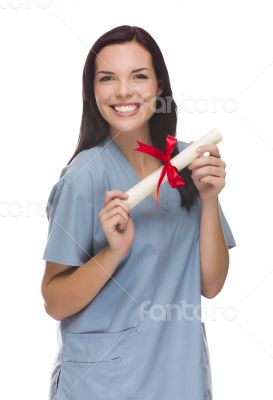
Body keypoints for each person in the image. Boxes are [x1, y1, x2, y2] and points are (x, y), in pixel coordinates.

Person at [41, 25, 236, 400]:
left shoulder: (188, 163)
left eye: (139, 76)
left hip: (180, 377)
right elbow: (54, 300)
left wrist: (209, 199)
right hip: (102, 384)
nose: (124, 91)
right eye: (107, 78)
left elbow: (210, 285)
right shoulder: (85, 177)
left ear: (159, 86)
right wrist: (113, 252)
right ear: (90, 90)